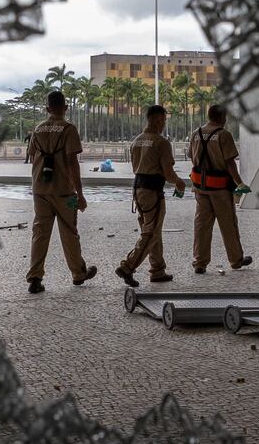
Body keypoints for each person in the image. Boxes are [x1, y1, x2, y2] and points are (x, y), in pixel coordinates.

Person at [25, 90, 98, 293]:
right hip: (65, 192)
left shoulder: (37, 130)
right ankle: (78, 273)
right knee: (70, 232)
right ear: (65, 108)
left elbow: (33, 159)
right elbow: (72, 163)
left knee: (39, 233)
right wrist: (80, 194)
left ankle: (35, 278)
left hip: (40, 190)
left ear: (47, 108)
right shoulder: (68, 129)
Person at [115, 104, 187, 288]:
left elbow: (134, 168)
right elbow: (168, 173)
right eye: (163, 120)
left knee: (153, 230)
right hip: (153, 192)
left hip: (138, 191)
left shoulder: (137, 140)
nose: (164, 123)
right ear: (157, 119)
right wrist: (179, 182)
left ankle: (157, 270)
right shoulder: (161, 142)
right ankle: (127, 266)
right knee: (151, 232)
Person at [189, 104, 253, 274]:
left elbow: (192, 157)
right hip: (219, 188)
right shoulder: (224, 135)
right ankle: (236, 260)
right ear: (222, 118)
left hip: (200, 188)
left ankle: (200, 263)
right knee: (228, 224)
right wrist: (239, 183)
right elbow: (230, 163)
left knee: (201, 225)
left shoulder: (196, 133)